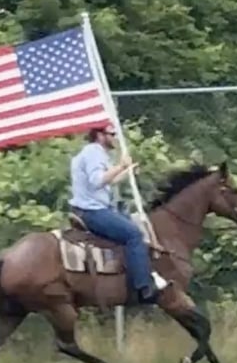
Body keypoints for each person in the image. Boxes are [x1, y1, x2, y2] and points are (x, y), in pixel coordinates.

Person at [68, 125, 169, 303]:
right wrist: (121, 165)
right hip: (93, 211)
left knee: (135, 222)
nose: (115, 138)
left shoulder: (92, 152)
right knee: (134, 235)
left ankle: (141, 272)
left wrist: (126, 171)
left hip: (92, 208)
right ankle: (143, 287)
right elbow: (97, 181)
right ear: (100, 135)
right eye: (112, 134)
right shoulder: (94, 152)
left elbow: (109, 181)